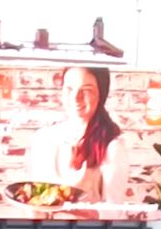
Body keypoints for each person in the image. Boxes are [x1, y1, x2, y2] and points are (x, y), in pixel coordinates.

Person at [24, 66, 128, 205]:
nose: (75, 97)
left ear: (100, 95)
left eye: (86, 90)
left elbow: (114, 211)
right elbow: (33, 200)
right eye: (69, 89)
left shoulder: (112, 147)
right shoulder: (42, 139)